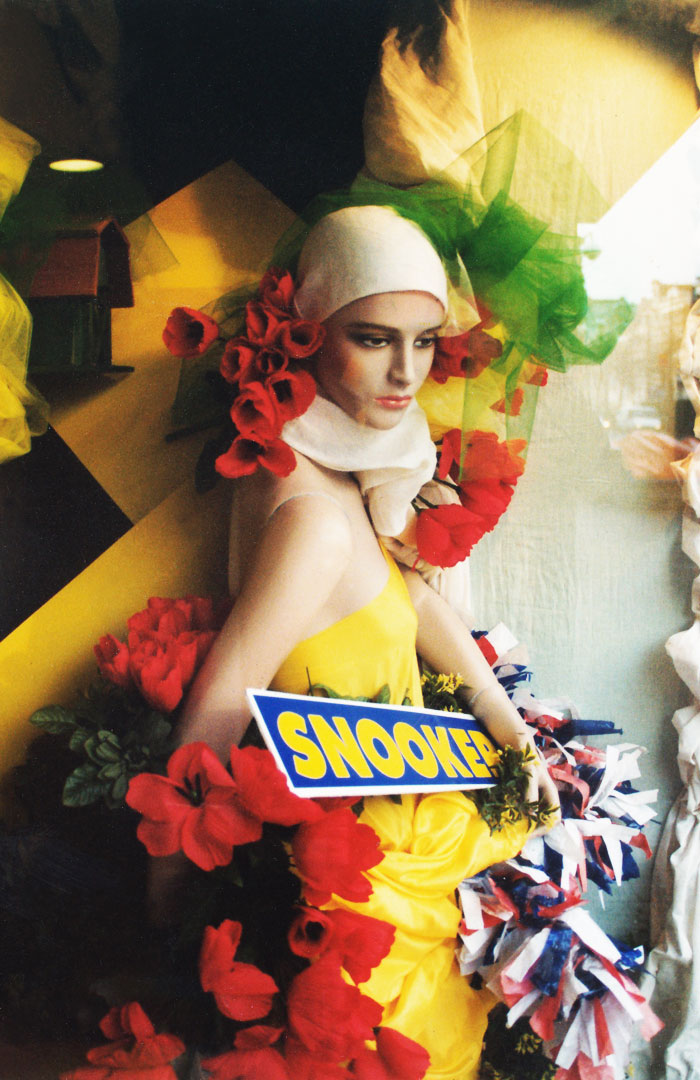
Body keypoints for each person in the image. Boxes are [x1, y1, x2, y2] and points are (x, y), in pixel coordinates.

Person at [165, 203, 560, 1079]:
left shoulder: (339, 480)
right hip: (356, 892)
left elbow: (407, 598)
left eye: (424, 342)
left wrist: (508, 726)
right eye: (374, 339)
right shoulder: (312, 514)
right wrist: (162, 910)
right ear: (309, 334)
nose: (406, 372)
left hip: (403, 843)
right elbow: (219, 707)